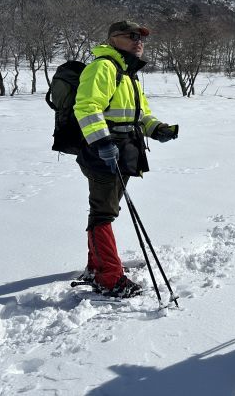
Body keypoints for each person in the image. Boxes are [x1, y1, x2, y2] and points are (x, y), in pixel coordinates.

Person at [74, 20, 179, 298]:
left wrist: (157, 129)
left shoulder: (127, 73)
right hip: (104, 151)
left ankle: (97, 266)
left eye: (141, 37)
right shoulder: (103, 67)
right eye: (131, 36)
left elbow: (139, 113)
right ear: (113, 39)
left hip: (126, 150)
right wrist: (102, 142)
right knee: (103, 214)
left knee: (104, 210)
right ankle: (109, 278)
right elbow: (86, 107)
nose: (138, 41)